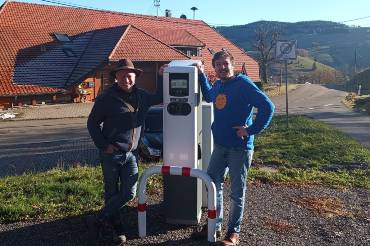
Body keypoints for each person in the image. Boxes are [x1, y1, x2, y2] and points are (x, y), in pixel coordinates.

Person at [196, 51, 275, 245]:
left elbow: (268, 106)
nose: (222, 68)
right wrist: (199, 75)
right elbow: (209, 96)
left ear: (233, 64)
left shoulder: (244, 84)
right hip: (220, 146)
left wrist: (251, 130)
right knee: (213, 184)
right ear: (214, 68)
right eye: (218, 65)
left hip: (240, 148)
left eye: (225, 64)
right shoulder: (218, 84)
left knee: (237, 191)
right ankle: (214, 224)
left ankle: (233, 233)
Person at [87, 58, 165, 243]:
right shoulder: (106, 98)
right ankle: (116, 227)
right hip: (111, 154)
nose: (126, 80)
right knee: (112, 192)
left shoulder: (143, 96)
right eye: (122, 76)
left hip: (132, 154)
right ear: (116, 77)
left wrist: (162, 76)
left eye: (129, 76)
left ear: (135, 77)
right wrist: (104, 145)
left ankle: (100, 218)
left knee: (129, 192)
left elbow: (161, 97)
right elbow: (92, 123)